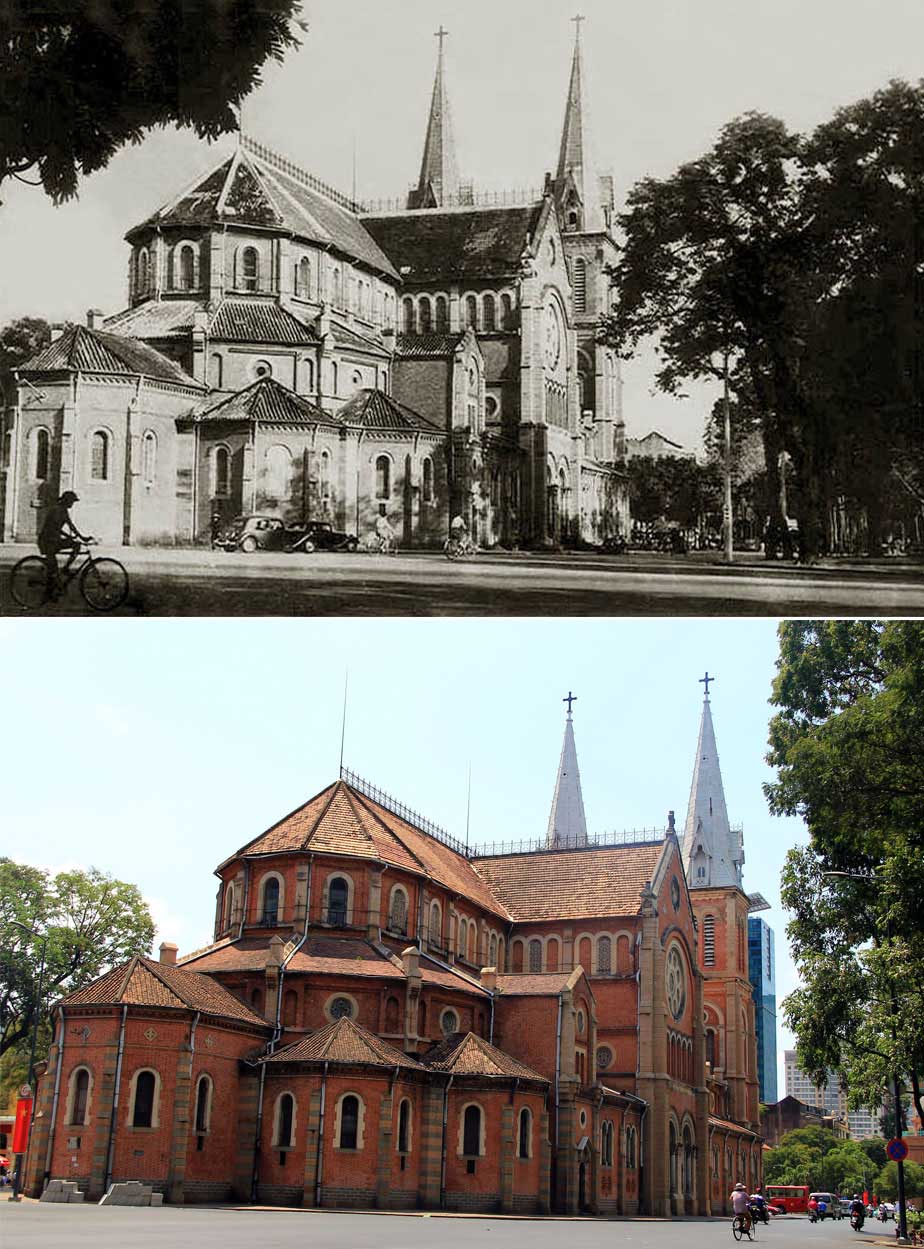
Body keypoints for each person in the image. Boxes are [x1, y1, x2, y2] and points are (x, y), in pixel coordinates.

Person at [38, 490, 90, 597]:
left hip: (53, 540)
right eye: (71, 501)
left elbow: (71, 526)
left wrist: (81, 537)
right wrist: (72, 537)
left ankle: (54, 588)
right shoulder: (57, 510)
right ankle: (54, 585)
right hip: (47, 541)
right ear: (67, 501)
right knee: (53, 570)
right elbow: (55, 528)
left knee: (76, 545)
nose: (72, 504)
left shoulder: (63, 510)